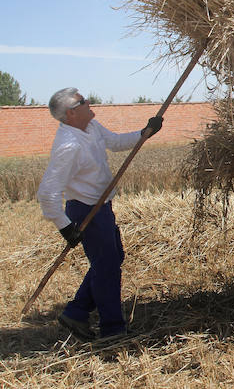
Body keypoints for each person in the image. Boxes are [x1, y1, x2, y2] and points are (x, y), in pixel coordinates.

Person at [37, 88, 162, 341]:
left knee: (112, 259)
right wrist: (65, 227)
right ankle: (113, 330)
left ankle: (77, 311)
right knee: (107, 268)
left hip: (101, 206)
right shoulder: (68, 146)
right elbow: (47, 193)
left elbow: (115, 142)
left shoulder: (91, 127)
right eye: (83, 101)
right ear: (72, 113)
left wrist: (145, 133)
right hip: (85, 211)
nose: (89, 102)